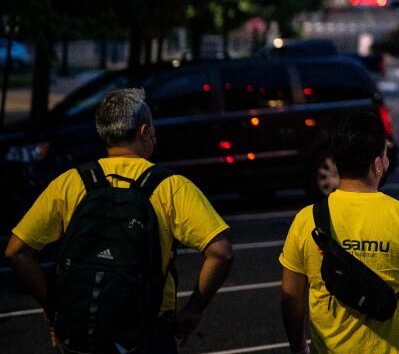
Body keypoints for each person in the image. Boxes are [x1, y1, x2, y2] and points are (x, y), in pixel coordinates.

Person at [5, 87, 233, 353]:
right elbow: (221, 252)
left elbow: (17, 251)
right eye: (153, 128)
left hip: (77, 331)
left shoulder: (71, 182)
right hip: (146, 333)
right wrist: (194, 309)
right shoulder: (171, 187)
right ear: (144, 131)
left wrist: (52, 307)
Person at [280, 111, 399, 354]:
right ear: (377, 165)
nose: (386, 162)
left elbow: (291, 297)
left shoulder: (307, 219)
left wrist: (299, 346)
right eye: (384, 156)